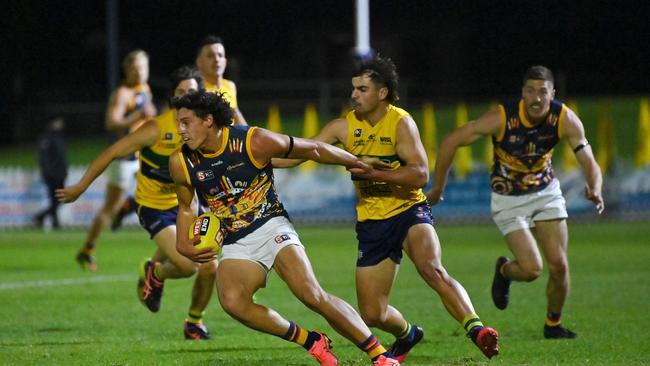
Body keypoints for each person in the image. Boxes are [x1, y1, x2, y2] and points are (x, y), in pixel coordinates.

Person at [273, 56, 499, 362]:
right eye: (353, 88)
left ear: (382, 93)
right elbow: (304, 151)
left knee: (431, 268)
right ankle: (407, 333)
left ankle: (477, 330)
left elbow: (420, 174)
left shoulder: (401, 123)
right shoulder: (343, 126)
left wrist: (376, 174)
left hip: (409, 210)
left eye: (362, 89)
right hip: (372, 222)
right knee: (372, 313)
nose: (354, 95)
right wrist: (261, 158)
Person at [168, 89, 401, 366]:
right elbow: (186, 206)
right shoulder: (181, 162)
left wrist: (358, 162)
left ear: (208, 120)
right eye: (178, 123)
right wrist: (182, 242)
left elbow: (312, 149)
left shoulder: (252, 141)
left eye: (185, 122)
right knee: (233, 302)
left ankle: (381, 356)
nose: (179, 130)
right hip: (235, 238)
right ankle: (310, 340)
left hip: (272, 225)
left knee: (310, 294)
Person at [425, 65, 604, 339]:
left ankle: (553, 325)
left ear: (552, 93)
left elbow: (588, 159)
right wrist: (437, 187)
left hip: (546, 193)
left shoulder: (565, 118)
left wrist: (596, 188)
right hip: (508, 199)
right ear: (522, 93)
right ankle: (505, 271)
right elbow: (451, 142)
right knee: (532, 269)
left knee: (559, 265)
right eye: (530, 91)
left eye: (542, 92)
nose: (536, 98)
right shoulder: (502, 117)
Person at [57, 66, 216, 340]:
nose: (187, 97)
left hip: (189, 205)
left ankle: (194, 323)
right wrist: (81, 187)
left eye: (192, 92)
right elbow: (112, 152)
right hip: (155, 208)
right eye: (181, 93)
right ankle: (154, 272)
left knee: (211, 266)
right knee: (189, 266)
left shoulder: (207, 130)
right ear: (171, 98)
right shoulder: (156, 128)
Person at [75, 49, 157, 271]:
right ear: (127, 70)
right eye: (136, 68)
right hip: (124, 158)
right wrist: (137, 116)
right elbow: (111, 122)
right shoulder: (122, 93)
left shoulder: (145, 90)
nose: (140, 72)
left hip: (142, 155)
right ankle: (87, 249)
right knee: (109, 209)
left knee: (163, 186)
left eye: (143, 67)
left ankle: (129, 205)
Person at [195, 35, 247, 126]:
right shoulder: (196, 90)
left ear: (225, 61)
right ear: (199, 62)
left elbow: (237, 118)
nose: (216, 59)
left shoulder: (230, 86)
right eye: (210, 56)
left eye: (220, 55)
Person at [34, 117, 68, 230]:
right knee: (56, 199)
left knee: (59, 199)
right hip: (52, 175)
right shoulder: (46, 138)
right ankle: (53, 222)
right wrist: (48, 172)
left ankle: (42, 217)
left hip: (60, 174)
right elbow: (44, 158)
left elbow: (62, 157)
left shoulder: (59, 137)